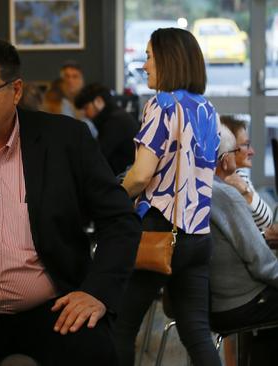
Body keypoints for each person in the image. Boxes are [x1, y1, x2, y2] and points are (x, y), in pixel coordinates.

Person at [0, 37, 141, 366]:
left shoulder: (66, 140)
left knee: (96, 353)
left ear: (16, 91)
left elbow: (120, 221)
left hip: (54, 309)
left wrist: (98, 291)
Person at [114, 28, 222, 366]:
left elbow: (142, 174)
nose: (144, 65)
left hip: (159, 232)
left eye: (149, 56)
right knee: (196, 333)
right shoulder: (207, 109)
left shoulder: (160, 106)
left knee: (120, 325)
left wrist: (112, 198)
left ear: (167, 59)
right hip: (198, 236)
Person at [210, 124, 278, 365]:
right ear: (225, 161)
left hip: (212, 301)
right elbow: (263, 266)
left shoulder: (199, 190)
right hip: (237, 304)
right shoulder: (225, 196)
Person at [219, 115, 273, 230]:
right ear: (228, 147)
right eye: (245, 145)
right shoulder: (232, 184)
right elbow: (266, 222)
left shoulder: (239, 175)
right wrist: (245, 191)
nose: (252, 151)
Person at [74, 83, 139, 176]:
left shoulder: (115, 121)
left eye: (86, 108)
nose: (85, 113)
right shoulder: (115, 116)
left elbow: (98, 156)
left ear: (98, 101)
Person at [59, 61, 98, 137]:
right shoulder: (54, 102)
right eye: (67, 76)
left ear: (82, 80)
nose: (70, 81)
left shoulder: (92, 102)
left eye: (75, 76)